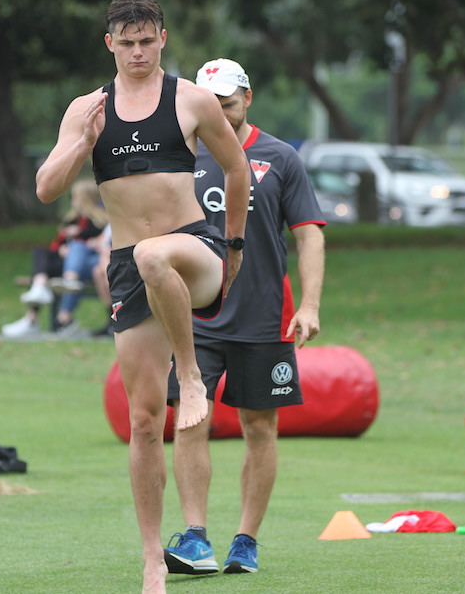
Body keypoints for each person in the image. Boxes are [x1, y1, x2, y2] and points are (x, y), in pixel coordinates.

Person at [34, 0, 250, 594]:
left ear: (162, 40)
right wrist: (81, 143)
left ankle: (193, 375)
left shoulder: (193, 100)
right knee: (144, 420)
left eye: (146, 41)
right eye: (125, 43)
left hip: (195, 251)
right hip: (133, 269)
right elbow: (46, 188)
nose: (136, 52)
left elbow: (235, 167)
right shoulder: (86, 108)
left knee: (157, 253)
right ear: (110, 43)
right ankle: (154, 555)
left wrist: (233, 247)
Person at [163, 58, 326, 575]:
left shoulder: (280, 157)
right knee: (191, 420)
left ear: (247, 99)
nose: (219, 112)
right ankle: (194, 538)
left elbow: (309, 233)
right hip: (196, 318)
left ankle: (246, 542)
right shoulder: (181, 157)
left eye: (227, 104)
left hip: (263, 318)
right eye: (210, 103)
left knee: (260, 426)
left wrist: (310, 304)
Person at [2, 179, 108, 337]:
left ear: (85, 199)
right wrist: (63, 248)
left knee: (77, 249)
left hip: (88, 264)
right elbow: (59, 242)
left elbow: (100, 243)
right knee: (41, 254)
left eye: (75, 197)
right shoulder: (72, 219)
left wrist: (77, 238)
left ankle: (43, 317)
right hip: (69, 263)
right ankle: (39, 289)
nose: (73, 201)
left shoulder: (101, 222)